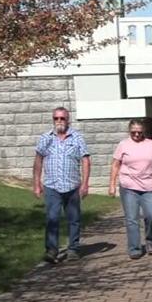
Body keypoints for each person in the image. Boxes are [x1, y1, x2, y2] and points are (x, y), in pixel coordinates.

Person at [33, 107, 91, 264]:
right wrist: (36, 183)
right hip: (52, 186)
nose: (59, 121)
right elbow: (38, 160)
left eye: (62, 118)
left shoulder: (77, 138)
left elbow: (85, 161)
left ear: (68, 119)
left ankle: (73, 249)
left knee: (74, 219)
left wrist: (85, 184)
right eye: (56, 118)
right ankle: (51, 250)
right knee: (52, 218)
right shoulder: (46, 138)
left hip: (72, 186)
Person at [109, 119, 152, 259]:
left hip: (149, 186)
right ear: (129, 131)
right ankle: (134, 248)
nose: (136, 134)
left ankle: (150, 240)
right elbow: (116, 165)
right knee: (132, 219)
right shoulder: (123, 145)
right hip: (129, 186)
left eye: (139, 132)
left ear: (143, 132)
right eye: (133, 132)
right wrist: (112, 185)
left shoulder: (151, 144)